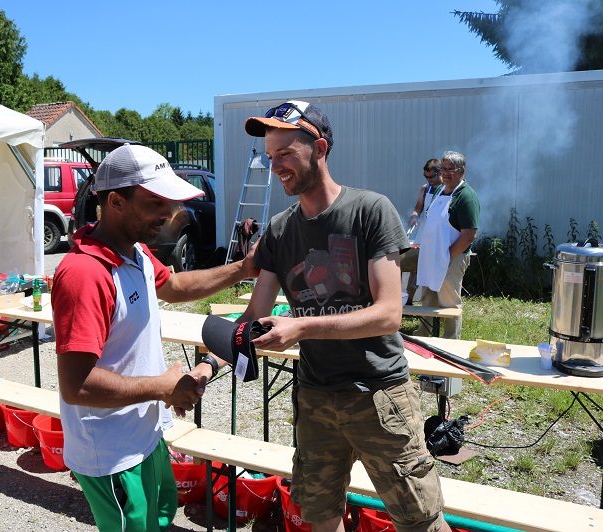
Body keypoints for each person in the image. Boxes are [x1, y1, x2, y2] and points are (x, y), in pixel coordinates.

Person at [239, 100, 452, 532]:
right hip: (315, 398)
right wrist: (210, 363)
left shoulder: (370, 210)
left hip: (379, 395)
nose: (275, 166)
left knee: (420, 521)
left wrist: (301, 327)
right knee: (320, 517)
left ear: (319, 148)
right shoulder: (279, 229)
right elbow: (255, 313)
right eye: (270, 155)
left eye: (285, 154)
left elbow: (388, 314)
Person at [52, 144, 258, 531]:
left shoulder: (136, 252)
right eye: (156, 202)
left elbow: (175, 286)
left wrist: (244, 268)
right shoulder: (85, 273)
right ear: (116, 201)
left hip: (145, 435)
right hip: (112, 453)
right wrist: (162, 387)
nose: (169, 212)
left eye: (170, 201)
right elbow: (76, 386)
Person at [414, 151, 480, 339]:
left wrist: (447, 257)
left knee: (449, 304)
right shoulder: (439, 191)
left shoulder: (466, 197)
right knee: (428, 299)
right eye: (443, 168)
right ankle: (424, 338)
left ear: (462, 171)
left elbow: (469, 236)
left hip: (452, 257)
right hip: (431, 257)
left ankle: (451, 343)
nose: (446, 173)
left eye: (451, 169)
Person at [399, 159, 442, 305]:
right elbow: (418, 208)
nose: (429, 180)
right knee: (414, 266)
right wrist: (414, 217)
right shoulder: (425, 189)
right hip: (423, 232)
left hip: (438, 234)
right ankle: (409, 300)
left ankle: (432, 301)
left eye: (431, 177)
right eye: (426, 176)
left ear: (440, 173)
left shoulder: (446, 189)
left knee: (431, 268)